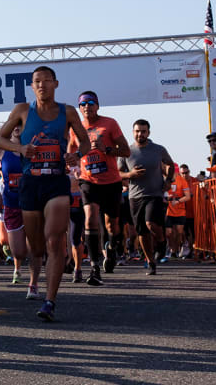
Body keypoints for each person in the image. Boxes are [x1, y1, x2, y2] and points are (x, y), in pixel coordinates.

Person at [0, 66, 89, 321]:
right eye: (37, 81)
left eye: (47, 81)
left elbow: (86, 141)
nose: (42, 85)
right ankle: (40, 269)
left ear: (56, 84)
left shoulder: (67, 112)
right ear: (32, 85)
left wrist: (76, 155)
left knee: (54, 239)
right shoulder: (23, 111)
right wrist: (21, 148)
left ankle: (50, 301)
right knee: (36, 248)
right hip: (30, 183)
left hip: (56, 182)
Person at [67, 90, 130, 285]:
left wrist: (107, 149)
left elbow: (126, 151)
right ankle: (94, 267)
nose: (87, 107)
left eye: (91, 103)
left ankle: (110, 250)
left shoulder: (109, 123)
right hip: (88, 181)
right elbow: (70, 152)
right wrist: (74, 167)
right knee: (90, 219)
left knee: (112, 225)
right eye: (83, 104)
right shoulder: (75, 128)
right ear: (79, 108)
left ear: (98, 106)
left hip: (111, 181)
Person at [118, 119, 175, 275]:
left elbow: (170, 164)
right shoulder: (126, 151)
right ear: (133, 132)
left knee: (151, 224)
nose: (140, 134)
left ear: (148, 133)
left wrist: (169, 180)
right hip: (135, 196)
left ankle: (161, 243)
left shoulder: (158, 149)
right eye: (137, 131)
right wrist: (130, 174)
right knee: (141, 232)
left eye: (143, 131)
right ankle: (150, 261)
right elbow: (118, 172)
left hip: (154, 194)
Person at [0, 125, 39, 290]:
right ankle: (18, 267)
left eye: (21, 124)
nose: (17, 128)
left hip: (32, 203)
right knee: (18, 251)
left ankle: (33, 283)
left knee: (33, 246)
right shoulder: (1, 150)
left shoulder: (34, 147)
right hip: (11, 203)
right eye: (14, 124)